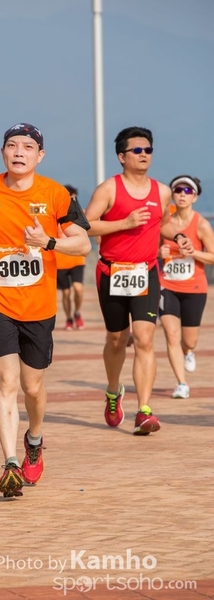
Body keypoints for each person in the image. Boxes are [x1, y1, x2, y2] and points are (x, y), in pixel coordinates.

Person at [0, 123, 91, 497]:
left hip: (39, 306)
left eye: (27, 146)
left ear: (40, 155)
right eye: (12, 145)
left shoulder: (56, 194)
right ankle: (10, 463)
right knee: (6, 382)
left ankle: (34, 440)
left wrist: (48, 241)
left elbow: (83, 244)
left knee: (32, 386)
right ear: (2, 153)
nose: (19, 152)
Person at [84, 126, 192, 435]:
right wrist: (124, 223)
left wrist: (179, 237)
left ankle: (144, 410)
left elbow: (164, 225)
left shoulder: (162, 191)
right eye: (137, 150)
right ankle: (113, 390)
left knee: (144, 339)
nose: (144, 155)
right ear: (122, 156)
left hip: (146, 272)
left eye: (148, 150)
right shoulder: (109, 189)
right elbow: (86, 226)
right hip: (112, 272)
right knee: (117, 339)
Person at [158, 175, 214, 399]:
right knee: (171, 334)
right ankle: (182, 383)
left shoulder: (201, 224)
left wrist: (194, 252)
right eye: (178, 190)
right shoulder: (164, 224)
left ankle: (188, 351)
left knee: (188, 340)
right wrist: (158, 253)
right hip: (167, 285)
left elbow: (213, 256)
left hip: (194, 288)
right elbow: (150, 248)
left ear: (195, 197)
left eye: (188, 191)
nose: (182, 194)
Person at [56, 185, 86, 330]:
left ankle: (77, 312)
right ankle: (69, 318)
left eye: (74, 198)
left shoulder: (81, 214)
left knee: (78, 288)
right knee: (66, 293)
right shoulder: (55, 215)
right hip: (60, 262)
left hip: (77, 260)